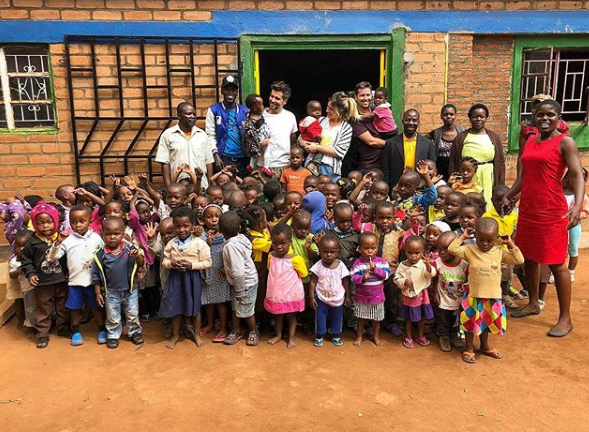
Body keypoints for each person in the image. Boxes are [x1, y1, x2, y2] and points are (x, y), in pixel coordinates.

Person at [504, 99, 583, 337]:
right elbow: (523, 177)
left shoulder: (565, 142)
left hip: (551, 210)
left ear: (559, 117)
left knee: (557, 263)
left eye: (550, 115)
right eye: (540, 115)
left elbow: (577, 175)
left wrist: (578, 206)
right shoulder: (530, 140)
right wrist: (509, 195)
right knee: (528, 258)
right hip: (529, 209)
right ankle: (532, 303)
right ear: (534, 116)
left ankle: (565, 318)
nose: (545, 119)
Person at [449, 218, 524, 364]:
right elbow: (452, 249)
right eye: (481, 239)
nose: (485, 243)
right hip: (473, 296)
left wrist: (510, 243)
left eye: (489, 240)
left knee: (487, 324)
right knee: (470, 324)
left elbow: (519, 260)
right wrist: (463, 236)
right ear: (475, 235)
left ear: (496, 238)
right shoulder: (470, 250)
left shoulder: (499, 252)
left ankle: (485, 346)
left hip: (492, 297)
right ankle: (469, 348)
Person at [48, 205, 105, 346]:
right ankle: (76, 331)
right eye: (73, 222)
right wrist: (58, 242)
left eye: (82, 221)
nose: (77, 225)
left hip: (93, 281)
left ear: (90, 221)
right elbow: (52, 258)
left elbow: (104, 256)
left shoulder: (96, 238)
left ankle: (102, 329)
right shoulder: (67, 240)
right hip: (75, 281)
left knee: (97, 307)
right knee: (75, 308)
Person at [159, 207, 212, 349]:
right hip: (175, 279)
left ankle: (196, 335)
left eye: (186, 226)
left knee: (195, 308)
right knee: (176, 307)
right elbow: (164, 261)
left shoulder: (199, 243)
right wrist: (172, 263)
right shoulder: (172, 243)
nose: (181, 229)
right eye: (177, 226)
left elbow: (208, 262)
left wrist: (191, 266)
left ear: (193, 227)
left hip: (192, 279)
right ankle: (175, 335)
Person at [21, 202, 69, 349]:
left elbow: (68, 257)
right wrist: (30, 274)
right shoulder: (32, 242)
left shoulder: (61, 238)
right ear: (34, 224)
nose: (45, 226)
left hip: (61, 280)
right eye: (40, 223)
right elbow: (26, 260)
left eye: (49, 222)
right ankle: (42, 333)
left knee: (63, 305)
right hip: (42, 282)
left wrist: (68, 273)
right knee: (43, 308)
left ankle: (63, 327)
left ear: (55, 221)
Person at [92, 217, 145, 349]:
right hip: (111, 292)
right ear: (102, 234)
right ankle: (113, 335)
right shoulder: (100, 254)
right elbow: (96, 275)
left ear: (123, 234)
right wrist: (98, 292)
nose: (112, 237)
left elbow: (141, 264)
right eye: (108, 234)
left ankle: (135, 332)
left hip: (130, 290)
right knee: (112, 315)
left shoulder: (129, 249)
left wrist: (137, 256)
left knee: (132, 313)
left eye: (116, 233)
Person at [449, 103, 505, 208]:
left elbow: (500, 161)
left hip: (488, 175)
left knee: (486, 203)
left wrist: (500, 183)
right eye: (475, 117)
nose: (478, 119)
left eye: (482, 117)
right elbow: (453, 160)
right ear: (470, 118)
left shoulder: (494, 137)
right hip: (467, 175)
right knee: (468, 204)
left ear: (486, 118)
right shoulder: (461, 138)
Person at [219, 211, 260, 346]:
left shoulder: (231, 246)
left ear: (220, 230)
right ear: (239, 228)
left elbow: (238, 271)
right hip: (244, 281)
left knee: (247, 310)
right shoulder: (241, 237)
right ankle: (236, 331)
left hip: (244, 283)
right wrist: (225, 270)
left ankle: (253, 331)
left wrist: (240, 290)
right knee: (236, 307)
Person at [265, 223, 308, 349]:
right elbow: (270, 269)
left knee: (291, 316)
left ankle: (292, 337)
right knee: (277, 314)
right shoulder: (271, 256)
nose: (279, 247)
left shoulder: (296, 259)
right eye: (275, 243)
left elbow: (304, 273)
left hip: (290, 294)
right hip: (276, 293)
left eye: (283, 243)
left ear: (290, 242)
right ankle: (278, 335)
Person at [300, 91, 358, 181]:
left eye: (331, 109)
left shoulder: (346, 128)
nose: (327, 110)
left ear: (340, 111)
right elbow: (301, 137)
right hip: (310, 165)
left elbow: (339, 152)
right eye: (327, 107)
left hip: (330, 169)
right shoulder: (320, 121)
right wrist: (304, 143)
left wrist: (317, 147)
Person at [156, 102, 214, 190]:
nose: (192, 116)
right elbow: (165, 163)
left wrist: (210, 187)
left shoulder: (202, 135)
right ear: (179, 116)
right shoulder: (168, 135)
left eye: (194, 114)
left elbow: (209, 162)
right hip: (178, 185)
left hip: (201, 185)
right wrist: (169, 187)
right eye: (188, 114)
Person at [393, 235, 436, 349]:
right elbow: (396, 278)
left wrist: (428, 266)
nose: (413, 256)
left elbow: (432, 274)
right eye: (410, 252)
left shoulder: (423, 264)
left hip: (422, 295)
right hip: (409, 296)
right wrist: (403, 282)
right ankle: (409, 337)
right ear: (405, 252)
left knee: (422, 316)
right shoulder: (402, 265)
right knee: (409, 317)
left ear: (422, 252)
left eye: (417, 253)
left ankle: (420, 336)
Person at [309, 234, 351, 347]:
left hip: (338, 298)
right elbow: (313, 282)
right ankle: (319, 336)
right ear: (320, 251)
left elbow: (345, 281)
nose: (328, 255)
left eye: (332, 252)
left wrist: (348, 296)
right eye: (325, 251)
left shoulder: (341, 265)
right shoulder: (317, 266)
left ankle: (335, 334)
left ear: (337, 252)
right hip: (321, 298)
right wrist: (312, 297)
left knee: (337, 317)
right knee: (320, 317)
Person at [350, 232, 391, 347]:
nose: (370, 251)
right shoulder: (358, 263)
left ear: (377, 248)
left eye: (373, 248)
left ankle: (376, 336)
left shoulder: (382, 262)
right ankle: (359, 336)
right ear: (359, 249)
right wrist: (363, 277)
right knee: (361, 318)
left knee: (376, 319)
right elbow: (353, 277)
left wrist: (376, 270)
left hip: (377, 298)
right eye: (366, 248)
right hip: (362, 298)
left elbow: (387, 276)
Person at [205, 75, 249, 178]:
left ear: (237, 92)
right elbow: (210, 135)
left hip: (243, 159)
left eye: (233, 90)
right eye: (227, 89)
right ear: (222, 91)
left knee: (242, 189)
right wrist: (215, 155)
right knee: (225, 189)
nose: (230, 93)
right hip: (224, 157)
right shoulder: (214, 110)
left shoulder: (245, 111)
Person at [199, 204, 231, 343]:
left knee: (221, 302)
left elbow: (230, 254)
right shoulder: (201, 235)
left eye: (217, 216)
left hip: (221, 274)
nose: (214, 219)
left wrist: (225, 268)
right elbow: (198, 251)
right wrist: (207, 242)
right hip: (207, 273)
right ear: (203, 219)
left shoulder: (226, 235)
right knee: (208, 302)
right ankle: (210, 324)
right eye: (209, 216)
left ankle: (223, 327)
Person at [382, 109, 436, 190]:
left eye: (414, 120)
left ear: (418, 122)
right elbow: (386, 170)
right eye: (408, 120)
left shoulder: (427, 144)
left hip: (420, 188)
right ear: (402, 121)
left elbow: (432, 167)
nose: (411, 123)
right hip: (397, 188)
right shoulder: (391, 143)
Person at [433, 231, 467, 352]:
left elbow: (468, 279)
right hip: (444, 300)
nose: (442, 252)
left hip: (459, 301)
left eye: (446, 249)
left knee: (456, 321)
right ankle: (444, 338)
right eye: (439, 249)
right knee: (443, 320)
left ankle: (453, 336)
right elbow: (435, 278)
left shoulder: (464, 263)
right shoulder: (438, 263)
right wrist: (435, 293)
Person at [342, 81, 387, 175]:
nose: (366, 98)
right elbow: (371, 141)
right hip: (369, 166)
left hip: (385, 162)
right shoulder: (354, 118)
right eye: (362, 95)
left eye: (368, 95)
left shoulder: (377, 110)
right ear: (356, 97)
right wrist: (393, 144)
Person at [263, 81, 298, 179]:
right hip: (263, 166)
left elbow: (293, 141)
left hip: (285, 167)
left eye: (277, 98)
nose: (272, 100)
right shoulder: (260, 116)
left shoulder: (290, 117)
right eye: (271, 96)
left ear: (285, 101)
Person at [427, 104, 465, 179]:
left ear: (455, 115)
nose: (448, 116)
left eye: (451, 114)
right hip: (441, 168)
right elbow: (423, 141)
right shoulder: (436, 133)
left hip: (457, 166)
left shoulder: (462, 132)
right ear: (441, 116)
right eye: (445, 114)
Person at [242, 93, 272, 175]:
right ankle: (266, 167)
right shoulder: (250, 123)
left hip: (260, 139)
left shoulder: (258, 115)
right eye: (261, 104)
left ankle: (251, 165)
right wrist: (260, 144)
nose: (263, 106)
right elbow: (249, 140)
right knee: (267, 150)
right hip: (260, 140)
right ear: (255, 108)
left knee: (254, 155)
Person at [299, 100, 323, 175]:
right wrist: (317, 136)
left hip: (309, 142)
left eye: (319, 110)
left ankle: (312, 165)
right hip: (309, 141)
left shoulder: (319, 120)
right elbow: (310, 130)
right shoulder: (310, 120)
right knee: (321, 150)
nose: (317, 112)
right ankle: (313, 164)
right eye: (314, 110)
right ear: (308, 112)